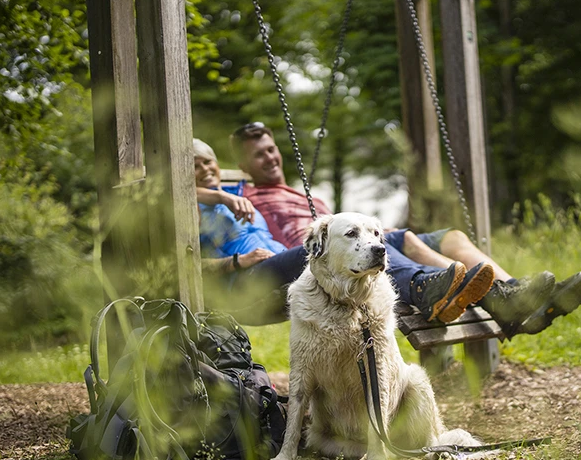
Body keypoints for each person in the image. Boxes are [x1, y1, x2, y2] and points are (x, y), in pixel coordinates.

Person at [226, 122, 581, 338]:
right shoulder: (243, 196)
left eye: (272, 149)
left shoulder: (302, 195)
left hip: (349, 248)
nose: (271, 158)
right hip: (311, 264)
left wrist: (377, 231)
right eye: (259, 155)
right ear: (243, 164)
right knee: (387, 245)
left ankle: (512, 293)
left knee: (446, 236)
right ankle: (429, 287)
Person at [192, 138, 494, 325]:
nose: (205, 170)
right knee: (314, 252)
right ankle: (422, 287)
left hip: (278, 264)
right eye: (194, 167)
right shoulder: (189, 209)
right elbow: (182, 265)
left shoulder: (238, 192)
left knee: (391, 237)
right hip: (246, 281)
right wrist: (235, 262)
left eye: (209, 162)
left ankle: (469, 290)